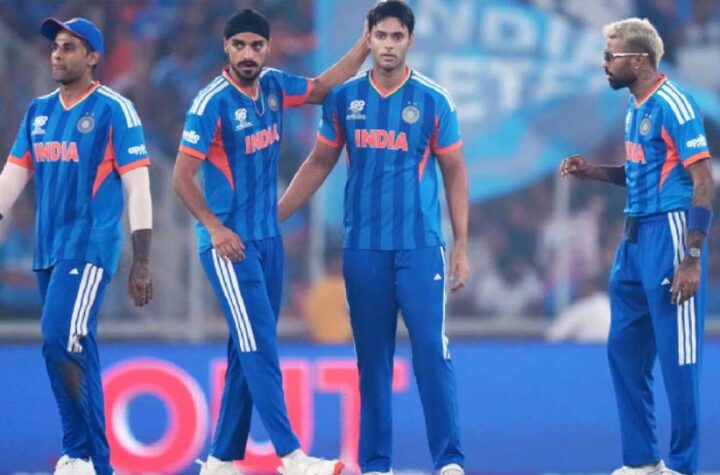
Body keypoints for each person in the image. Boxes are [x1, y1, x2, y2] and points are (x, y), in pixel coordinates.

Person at [171, 9, 368, 475]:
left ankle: (220, 461)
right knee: (259, 344)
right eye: (239, 45)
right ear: (226, 47)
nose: (248, 53)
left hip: (268, 240)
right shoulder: (211, 102)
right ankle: (291, 457)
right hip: (230, 246)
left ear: (267, 48)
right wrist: (215, 229)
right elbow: (181, 177)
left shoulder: (275, 86)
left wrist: (364, 43)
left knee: (247, 348)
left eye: (256, 45)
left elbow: (323, 87)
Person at [278, 1, 469, 473]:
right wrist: (275, 215)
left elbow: (454, 172)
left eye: (396, 36)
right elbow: (319, 162)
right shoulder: (345, 98)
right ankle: (376, 464)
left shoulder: (433, 100)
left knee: (431, 350)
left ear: (410, 41)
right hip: (363, 248)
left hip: (420, 247)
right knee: (372, 361)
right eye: (380, 36)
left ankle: (449, 461)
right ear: (368, 38)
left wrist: (461, 245)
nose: (387, 45)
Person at [560, 18, 714, 475]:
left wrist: (692, 257)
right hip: (633, 239)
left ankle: (682, 465)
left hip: (670, 234)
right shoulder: (634, 105)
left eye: (611, 56)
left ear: (640, 60)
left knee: (679, 359)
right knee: (624, 352)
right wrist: (594, 172)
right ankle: (643, 461)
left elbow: (703, 181)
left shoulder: (675, 104)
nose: (604, 64)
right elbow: (641, 172)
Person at [0, 17, 153, 475]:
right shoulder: (39, 112)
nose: (57, 54)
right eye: (55, 47)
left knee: (57, 339)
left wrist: (142, 260)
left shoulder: (115, 109)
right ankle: (99, 465)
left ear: (92, 58)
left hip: (89, 248)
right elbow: (11, 179)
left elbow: (138, 186)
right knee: (77, 349)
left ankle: (77, 453)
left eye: (69, 47)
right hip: (47, 251)